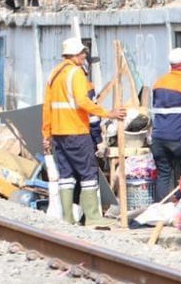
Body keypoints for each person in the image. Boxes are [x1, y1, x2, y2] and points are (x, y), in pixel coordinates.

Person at [42, 38, 125, 225]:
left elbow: (46, 107)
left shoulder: (54, 74)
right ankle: (94, 218)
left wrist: (46, 134)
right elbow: (83, 101)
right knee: (88, 173)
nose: (84, 56)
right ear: (74, 55)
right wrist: (108, 113)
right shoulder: (76, 73)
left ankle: (67, 218)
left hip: (58, 134)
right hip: (76, 131)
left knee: (67, 175)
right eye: (82, 53)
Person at [150, 47, 181, 202]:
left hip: (158, 137)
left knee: (163, 173)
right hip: (178, 138)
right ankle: (180, 202)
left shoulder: (159, 82)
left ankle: (161, 206)